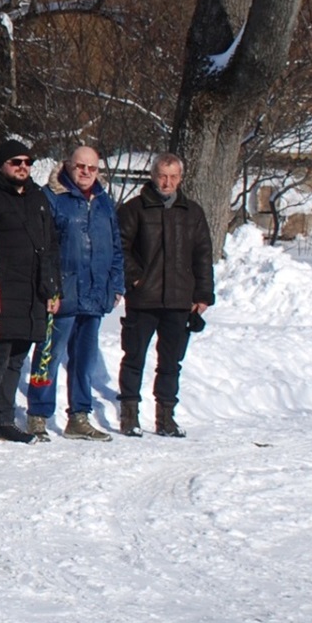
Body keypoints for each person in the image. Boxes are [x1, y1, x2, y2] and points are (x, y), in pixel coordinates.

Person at [29, 145, 123, 441]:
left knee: (84, 359)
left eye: (92, 168)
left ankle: (78, 416)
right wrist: (50, 287)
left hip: (95, 293)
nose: (85, 172)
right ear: (68, 165)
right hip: (63, 292)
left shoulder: (104, 202)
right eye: (80, 166)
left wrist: (116, 284)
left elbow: (116, 247)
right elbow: (43, 247)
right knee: (49, 354)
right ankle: (37, 414)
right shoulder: (53, 197)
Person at [116, 154, 214, 437]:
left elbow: (203, 255)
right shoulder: (134, 209)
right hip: (143, 299)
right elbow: (119, 247)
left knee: (171, 363)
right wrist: (135, 277)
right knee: (133, 358)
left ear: (181, 178)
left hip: (179, 300)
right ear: (152, 175)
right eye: (162, 175)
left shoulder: (192, 212)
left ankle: (166, 417)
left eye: (173, 176)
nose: (167, 182)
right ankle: (129, 415)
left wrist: (203, 294)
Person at [0, 139, 59, 443]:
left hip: (34, 290)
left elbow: (50, 244)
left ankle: (4, 418)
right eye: (16, 162)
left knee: (17, 359)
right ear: (2, 165)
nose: (23, 167)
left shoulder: (37, 196)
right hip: (3, 286)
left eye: (27, 162)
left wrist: (53, 288)